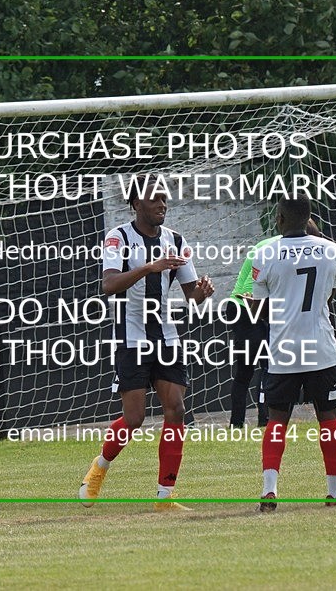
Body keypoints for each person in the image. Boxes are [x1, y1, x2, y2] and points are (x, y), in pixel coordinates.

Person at [79, 184, 214, 511]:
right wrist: (147, 268)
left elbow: (190, 295)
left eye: (165, 199)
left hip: (166, 337)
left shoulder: (176, 241)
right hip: (131, 338)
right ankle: (99, 468)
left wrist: (202, 292)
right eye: (155, 199)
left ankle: (165, 497)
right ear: (136, 202)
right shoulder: (118, 238)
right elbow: (109, 285)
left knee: (177, 410)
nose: (162, 204)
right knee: (134, 417)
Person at [251, 193, 336, 512]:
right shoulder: (330, 250)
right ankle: (334, 493)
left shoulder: (265, 253)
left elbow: (259, 308)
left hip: (283, 349)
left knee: (277, 421)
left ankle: (269, 490)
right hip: (321, 346)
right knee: (328, 417)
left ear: (278, 219)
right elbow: (328, 296)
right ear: (309, 219)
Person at [225, 219, 323, 428]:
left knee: (249, 370)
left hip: (243, 305)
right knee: (265, 365)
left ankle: (241, 423)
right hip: (247, 306)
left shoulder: (278, 245)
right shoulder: (279, 248)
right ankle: (262, 420)